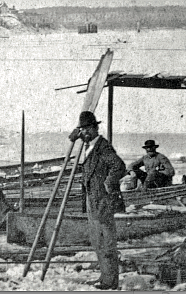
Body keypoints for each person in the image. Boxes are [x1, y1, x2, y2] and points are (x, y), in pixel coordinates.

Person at [68, 111, 126, 290]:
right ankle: (105, 277)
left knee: (107, 241)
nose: (84, 132)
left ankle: (111, 281)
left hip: (103, 201)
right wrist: (73, 138)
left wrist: (108, 182)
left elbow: (119, 166)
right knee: (97, 241)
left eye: (87, 129)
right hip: (92, 200)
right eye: (81, 129)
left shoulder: (102, 147)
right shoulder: (88, 146)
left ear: (94, 128)